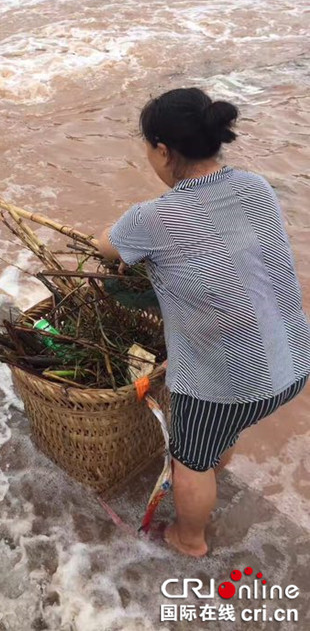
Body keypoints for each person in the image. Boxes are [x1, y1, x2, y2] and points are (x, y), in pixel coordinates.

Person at [98, 87, 310, 557]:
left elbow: (106, 247)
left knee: (189, 460)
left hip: (225, 382)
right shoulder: (255, 186)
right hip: (291, 359)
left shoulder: (153, 217)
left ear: (162, 150)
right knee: (223, 430)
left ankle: (188, 539)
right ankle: (216, 465)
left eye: (147, 148)